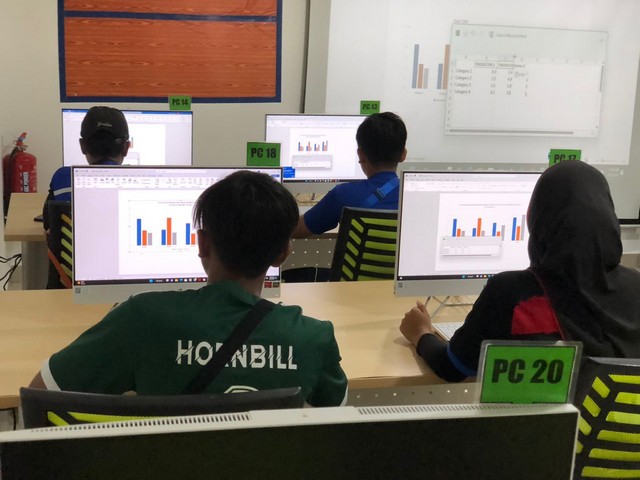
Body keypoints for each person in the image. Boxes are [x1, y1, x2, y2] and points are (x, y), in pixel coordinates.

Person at [29, 171, 348, 407]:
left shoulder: (142, 318)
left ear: (202, 244)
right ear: (284, 254)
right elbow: (337, 424)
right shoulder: (313, 338)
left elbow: (42, 394)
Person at [400, 160, 640, 382]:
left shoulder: (511, 293)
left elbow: (453, 366)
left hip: (542, 417)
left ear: (538, 218)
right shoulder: (636, 287)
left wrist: (421, 333)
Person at [292, 111, 407, 238]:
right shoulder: (413, 197)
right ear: (403, 154)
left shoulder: (343, 195)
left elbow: (294, 230)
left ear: (360, 155)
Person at [42, 106, 130, 229]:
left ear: (82, 146)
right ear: (126, 148)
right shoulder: (145, 180)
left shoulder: (63, 177)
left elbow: (48, 225)